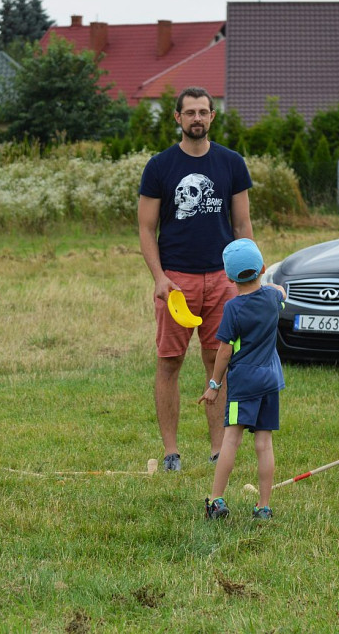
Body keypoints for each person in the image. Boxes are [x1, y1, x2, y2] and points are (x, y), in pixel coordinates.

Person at [138, 86, 254, 472]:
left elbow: (242, 223)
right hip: (176, 283)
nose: (197, 119)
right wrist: (159, 277)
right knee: (169, 362)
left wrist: (248, 274)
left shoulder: (231, 164)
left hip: (222, 279)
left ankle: (219, 449)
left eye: (204, 112)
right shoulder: (160, 167)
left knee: (217, 361)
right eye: (190, 113)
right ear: (177, 118)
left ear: (212, 117)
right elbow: (145, 228)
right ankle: (171, 452)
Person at [199, 239, 285, 521]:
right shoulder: (273, 300)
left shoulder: (233, 309)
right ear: (262, 268)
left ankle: (216, 500)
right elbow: (280, 290)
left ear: (228, 277)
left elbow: (224, 351)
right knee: (264, 444)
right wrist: (269, 284)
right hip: (270, 381)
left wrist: (214, 384)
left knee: (231, 441)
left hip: (244, 383)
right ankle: (263, 506)